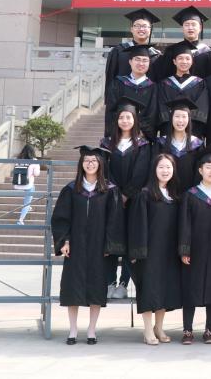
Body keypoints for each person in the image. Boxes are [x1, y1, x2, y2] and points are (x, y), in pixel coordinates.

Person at [52, 146, 124, 345]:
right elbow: (61, 218)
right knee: (72, 287)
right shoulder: (71, 189)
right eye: (86, 161)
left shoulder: (109, 190)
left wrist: (110, 245)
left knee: (96, 288)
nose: (90, 164)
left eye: (94, 161)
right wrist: (64, 241)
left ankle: (92, 330)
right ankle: (73, 330)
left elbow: (115, 220)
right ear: (81, 164)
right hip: (75, 246)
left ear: (100, 164)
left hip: (98, 247)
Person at [99, 99, 152, 299]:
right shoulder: (106, 143)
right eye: (121, 117)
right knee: (111, 240)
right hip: (110, 199)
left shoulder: (143, 144)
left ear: (135, 119)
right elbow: (104, 169)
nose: (125, 120)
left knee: (130, 241)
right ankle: (110, 282)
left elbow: (141, 171)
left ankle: (123, 283)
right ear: (117, 120)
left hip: (133, 200)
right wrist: (115, 193)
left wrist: (126, 194)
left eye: (129, 117)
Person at [128, 153, 182, 345]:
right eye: (161, 167)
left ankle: (159, 327)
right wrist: (138, 251)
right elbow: (137, 225)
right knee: (149, 289)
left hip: (169, 251)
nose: (165, 171)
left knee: (164, 289)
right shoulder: (145, 194)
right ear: (154, 170)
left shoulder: (174, 196)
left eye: (168, 167)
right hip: (149, 251)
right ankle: (148, 329)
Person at [178, 147, 211, 344]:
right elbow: (184, 224)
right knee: (191, 288)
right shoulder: (190, 194)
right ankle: (187, 330)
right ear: (200, 170)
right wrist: (184, 249)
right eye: (208, 167)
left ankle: (209, 330)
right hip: (195, 249)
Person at [103, 9, 162, 98]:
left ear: (150, 30)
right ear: (132, 29)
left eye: (145, 26)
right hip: (122, 102)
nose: (141, 29)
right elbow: (110, 79)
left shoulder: (156, 55)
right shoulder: (118, 51)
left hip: (148, 102)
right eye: (137, 26)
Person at [104, 44, 158, 139]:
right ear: (130, 62)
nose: (141, 63)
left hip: (142, 138)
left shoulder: (153, 87)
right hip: (119, 136)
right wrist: (121, 130)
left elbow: (152, 115)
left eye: (145, 60)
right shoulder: (118, 83)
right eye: (137, 59)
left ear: (149, 63)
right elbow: (110, 111)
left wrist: (140, 132)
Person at [156, 40, 209, 136]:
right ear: (174, 61)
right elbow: (161, 106)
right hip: (169, 130)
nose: (184, 61)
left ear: (192, 62)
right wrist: (174, 122)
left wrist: (186, 122)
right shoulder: (164, 84)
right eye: (180, 58)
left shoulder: (200, 83)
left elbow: (202, 107)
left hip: (192, 131)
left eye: (187, 59)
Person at [154, 98, 205, 189]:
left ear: (189, 119)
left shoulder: (197, 144)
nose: (180, 120)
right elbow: (154, 168)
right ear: (171, 118)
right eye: (177, 116)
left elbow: (199, 173)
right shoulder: (161, 143)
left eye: (184, 117)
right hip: (165, 192)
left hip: (189, 193)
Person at [174, 5, 211, 78]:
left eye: (193, 25)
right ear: (182, 28)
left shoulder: (209, 53)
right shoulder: (173, 51)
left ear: (200, 28)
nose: (190, 28)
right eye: (187, 25)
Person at [13, 144, 40, 226]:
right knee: (26, 203)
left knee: (33, 188)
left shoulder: (18, 159)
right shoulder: (34, 161)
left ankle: (29, 206)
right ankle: (20, 220)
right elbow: (36, 174)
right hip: (27, 184)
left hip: (17, 183)